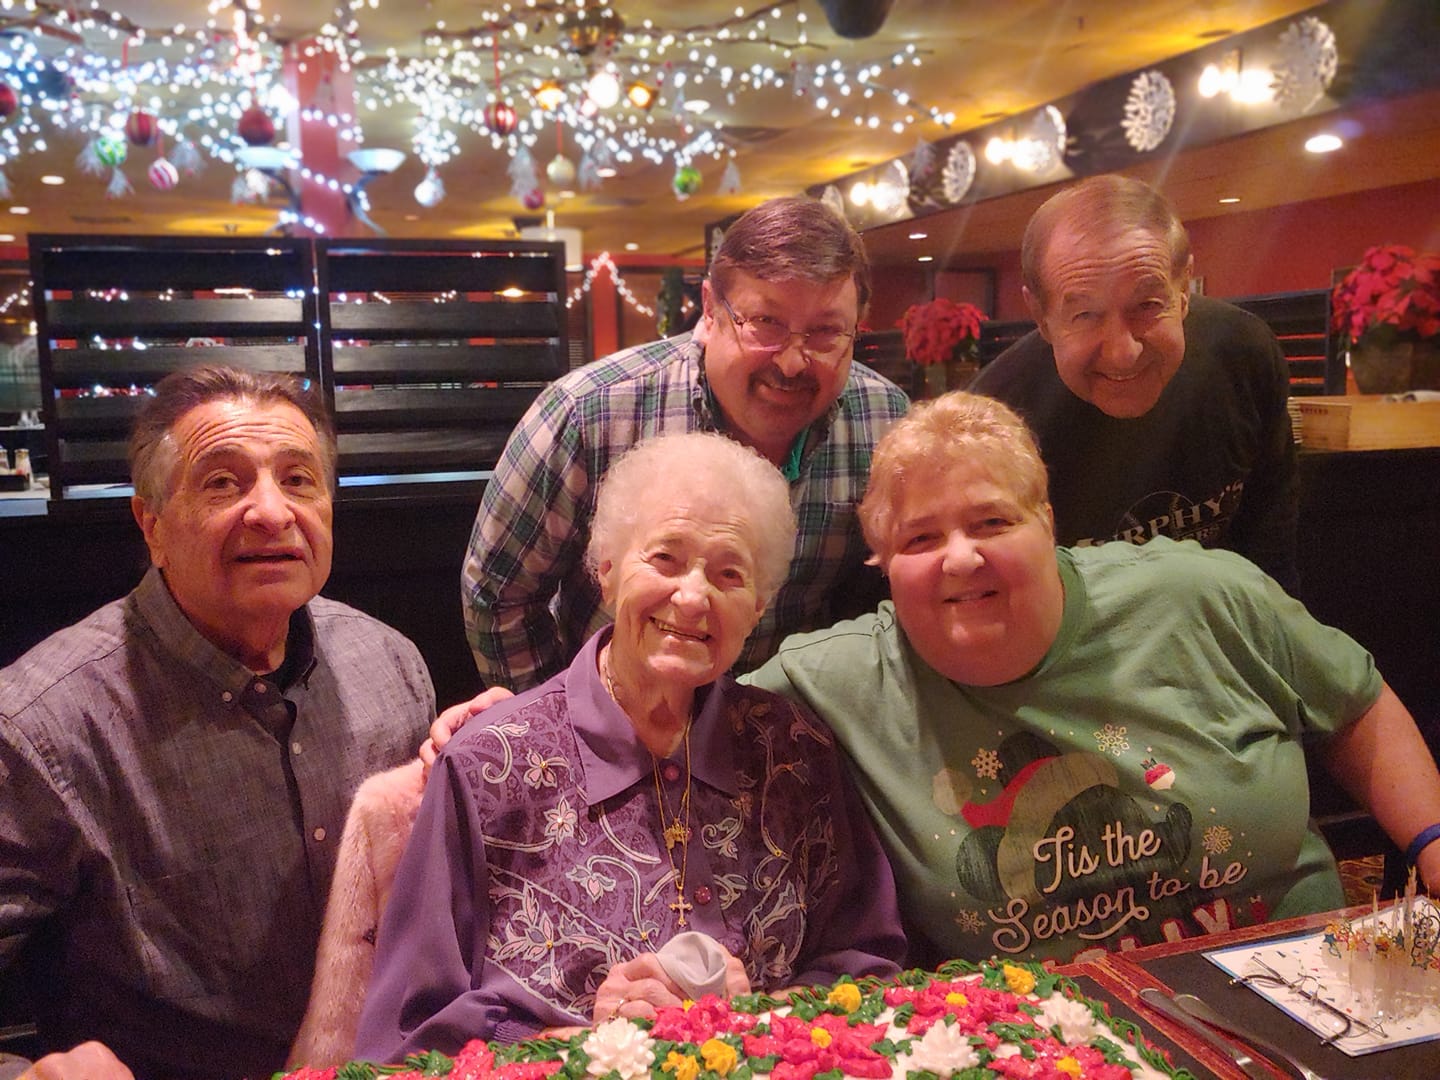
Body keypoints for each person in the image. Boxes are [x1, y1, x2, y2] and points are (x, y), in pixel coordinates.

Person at [745, 392, 1440, 966]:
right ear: (882, 562)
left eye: (992, 522)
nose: (960, 559)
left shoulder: (1199, 594)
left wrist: (1433, 844)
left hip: (1299, 979)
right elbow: (691, 722)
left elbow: (1355, 704)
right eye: (920, 538)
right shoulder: (838, 680)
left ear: (1047, 523)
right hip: (1051, 1040)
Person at [358, 433, 904, 1062]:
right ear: (608, 571)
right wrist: (583, 1048)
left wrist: (765, 1016)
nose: (693, 596)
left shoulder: (795, 752)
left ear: (758, 607)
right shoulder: (489, 766)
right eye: (665, 559)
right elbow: (411, 1032)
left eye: (729, 574)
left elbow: (868, 969)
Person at [0, 366, 435, 1080]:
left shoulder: (390, 665)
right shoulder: (39, 728)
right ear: (151, 524)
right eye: (223, 483)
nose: (271, 511)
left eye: (298, 480)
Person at [462, 195, 910, 693]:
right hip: (618, 714)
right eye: (765, 323)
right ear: (711, 310)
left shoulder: (883, 422)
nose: (791, 362)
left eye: (826, 332)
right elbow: (499, 594)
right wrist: (562, 722)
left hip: (794, 720)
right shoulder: (588, 412)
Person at [970, 174, 1300, 592]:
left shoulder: (1244, 353)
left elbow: (1272, 549)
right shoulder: (994, 419)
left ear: (1183, 290)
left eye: (1147, 304)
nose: (1123, 353)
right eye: (1085, 315)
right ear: (1041, 317)